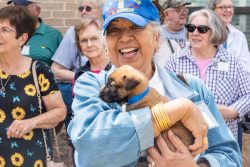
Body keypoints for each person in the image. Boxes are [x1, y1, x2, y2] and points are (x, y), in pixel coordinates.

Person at [67, 0, 242, 166]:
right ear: (106, 42)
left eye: (135, 27)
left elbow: (228, 154)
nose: (125, 38)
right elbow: (89, 149)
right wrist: (177, 110)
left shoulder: (192, 88)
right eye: (114, 30)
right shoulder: (91, 85)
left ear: (157, 38)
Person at [166, 8, 250, 142]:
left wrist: (232, 111)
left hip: (222, 140)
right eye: (191, 28)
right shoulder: (175, 61)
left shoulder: (231, 61)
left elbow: (247, 95)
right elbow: (164, 94)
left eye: (202, 29)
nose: (195, 33)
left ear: (214, 32)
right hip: (184, 140)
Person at [0, 6, 66, 166]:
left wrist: (31, 122)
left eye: (4, 30)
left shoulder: (38, 70)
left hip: (31, 155)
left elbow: (60, 112)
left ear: (22, 39)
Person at [51, 0, 104, 130]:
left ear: (102, 11)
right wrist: (87, 77)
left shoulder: (112, 31)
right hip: (80, 97)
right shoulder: (73, 32)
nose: (83, 11)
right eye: (81, 8)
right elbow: (56, 70)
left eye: (88, 8)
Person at [207, 0, 250, 158]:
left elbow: (245, 68)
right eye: (223, 7)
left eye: (230, 7)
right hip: (208, 101)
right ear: (213, 10)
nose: (227, 10)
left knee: (231, 149)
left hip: (232, 104)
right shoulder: (204, 32)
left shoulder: (238, 36)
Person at [7, 0, 63, 66]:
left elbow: (62, 67)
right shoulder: (8, 33)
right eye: (13, 11)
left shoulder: (54, 35)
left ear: (37, 10)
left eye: (22, 10)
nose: (17, 15)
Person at [73, 17, 111, 93]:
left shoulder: (116, 70)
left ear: (104, 39)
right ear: (79, 44)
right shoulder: (80, 74)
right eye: (84, 40)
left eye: (94, 38)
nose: (89, 44)